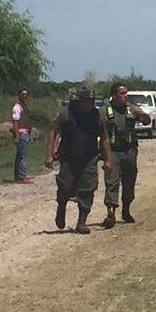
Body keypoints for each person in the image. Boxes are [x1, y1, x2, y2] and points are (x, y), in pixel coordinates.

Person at [45, 88, 113, 234]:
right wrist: (49, 155)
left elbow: (105, 138)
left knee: (87, 189)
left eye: (93, 101)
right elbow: (53, 132)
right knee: (66, 186)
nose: (91, 104)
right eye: (88, 101)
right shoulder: (66, 113)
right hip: (69, 157)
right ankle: (61, 205)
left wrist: (108, 159)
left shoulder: (98, 116)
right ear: (80, 100)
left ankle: (81, 222)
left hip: (89, 157)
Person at [102, 82, 151, 228]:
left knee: (129, 181)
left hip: (129, 151)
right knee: (112, 181)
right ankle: (111, 214)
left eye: (126, 94)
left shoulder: (131, 109)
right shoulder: (105, 111)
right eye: (122, 94)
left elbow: (147, 121)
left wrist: (141, 113)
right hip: (113, 151)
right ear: (113, 95)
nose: (125, 97)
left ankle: (126, 210)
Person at [11, 88, 36, 184]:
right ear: (19, 95)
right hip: (22, 133)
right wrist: (17, 135)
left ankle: (18, 176)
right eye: (23, 94)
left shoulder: (23, 106)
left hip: (25, 132)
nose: (25, 96)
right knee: (22, 156)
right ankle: (22, 176)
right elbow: (15, 121)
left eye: (26, 94)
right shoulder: (17, 107)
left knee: (20, 155)